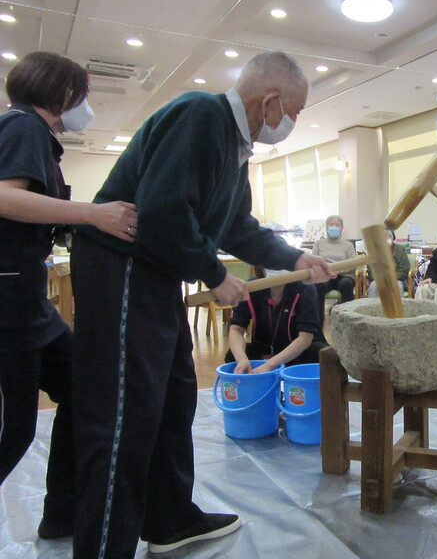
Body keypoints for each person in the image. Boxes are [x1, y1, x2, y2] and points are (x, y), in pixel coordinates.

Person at [69, 51, 334, 558]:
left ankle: (170, 518)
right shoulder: (200, 115)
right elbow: (163, 211)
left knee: (173, 396)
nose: (293, 122)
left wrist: (295, 256)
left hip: (155, 272)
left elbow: (237, 227)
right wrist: (215, 275)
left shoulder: (236, 147)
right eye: (295, 111)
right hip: (122, 267)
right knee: (126, 413)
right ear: (271, 101)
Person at [0, 52, 137, 540]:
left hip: (28, 300)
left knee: (83, 387)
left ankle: (62, 511)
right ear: (62, 94)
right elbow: (5, 196)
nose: (86, 105)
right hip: (8, 301)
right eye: (83, 95)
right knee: (13, 428)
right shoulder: (23, 127)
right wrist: (92, 214)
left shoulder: (38, 138)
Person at [225, 278, 327, 374]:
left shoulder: (305, 288)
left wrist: (270, 364)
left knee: (319, 353)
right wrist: (241, 359)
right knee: (233, 355)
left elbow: (305, 338)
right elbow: (236, 329)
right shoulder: (252, 287)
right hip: (263, 351)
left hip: (296, 354)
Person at [312, 214, 356, 320]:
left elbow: (353, 264)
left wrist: (339, 271)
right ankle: (318, 321)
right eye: (331, 224)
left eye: (337, 225)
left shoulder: (348, 245)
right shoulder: (318, 244)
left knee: (346, 284)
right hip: (324, 276)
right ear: (326, 227)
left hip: (344, 276)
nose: (334, 227)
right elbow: (313, 263)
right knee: (318, 286)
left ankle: (347, 320)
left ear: (342, 228)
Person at [366, 228, 410, 298]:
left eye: (388, 236)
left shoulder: (400, 249)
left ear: (393, 238)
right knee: (373, 286)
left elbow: (404, 270)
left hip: (396, 279)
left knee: (397, 286)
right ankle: (372, 305)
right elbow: (371, 271)